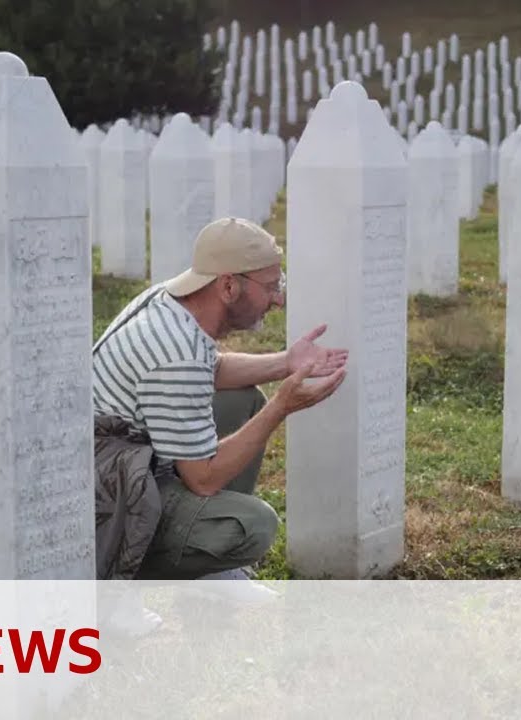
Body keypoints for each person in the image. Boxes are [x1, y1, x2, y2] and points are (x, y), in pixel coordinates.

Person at [92, 217, 348, 586]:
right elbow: (204, 480)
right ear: (228, 286)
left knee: (241, 400)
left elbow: (213, 369)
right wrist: (282, 406)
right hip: (111, 504)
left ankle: (209, 569)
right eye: (271, 286)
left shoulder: (172, 303)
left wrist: (286, 362)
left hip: (124, 464)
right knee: (253, 526)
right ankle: (151, 576)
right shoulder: (175, 353)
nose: (279, 299)